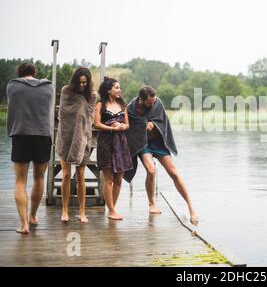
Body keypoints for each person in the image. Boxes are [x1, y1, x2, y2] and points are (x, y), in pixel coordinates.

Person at [124, 86, 199, 225]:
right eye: (149, 102)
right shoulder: (131, 109)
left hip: (158, 142)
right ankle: (152, 204)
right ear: (140, 99)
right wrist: (143, 125)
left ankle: (191, 207)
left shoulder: (157, 103)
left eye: (153, 101)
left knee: (174, 173)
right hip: (143, 143)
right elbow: (130, 127)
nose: (152, 103)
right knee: (151, 170)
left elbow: (162, 121)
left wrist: (152, 123)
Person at [6, 62, 53, 234]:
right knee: (39, 178)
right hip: (42, 136)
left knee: (20, 181)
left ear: (20, 73)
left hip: (21, 135)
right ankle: (33, 216)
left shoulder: (13, 86)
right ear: (35, 72)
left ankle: (24, 224)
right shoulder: (49, 87)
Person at [56, 67, 96, 223]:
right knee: (66, 175)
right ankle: (64, 210)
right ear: (75, 81)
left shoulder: (92, 95)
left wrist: (81, 105)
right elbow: (63, 114)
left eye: (85, 83)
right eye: (79, 82)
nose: (82, 85)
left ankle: (82, 212)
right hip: (66, 136)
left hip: (83, 138)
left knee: (80, 176)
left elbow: (88, 115)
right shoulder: (66, 91)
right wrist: (80, 106)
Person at [94, 77, 133, 220]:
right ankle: (110, 210)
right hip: (106, 142)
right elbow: (96, 124)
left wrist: (122, 126)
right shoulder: (100, 104)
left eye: (119, 87)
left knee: (119, 179)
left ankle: (112, 209)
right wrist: (111, 128)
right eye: (116, 87)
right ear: (108, 90)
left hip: (121, 143)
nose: (119, 90)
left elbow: (127, 125)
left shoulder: (123, 105)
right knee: (108, 178)